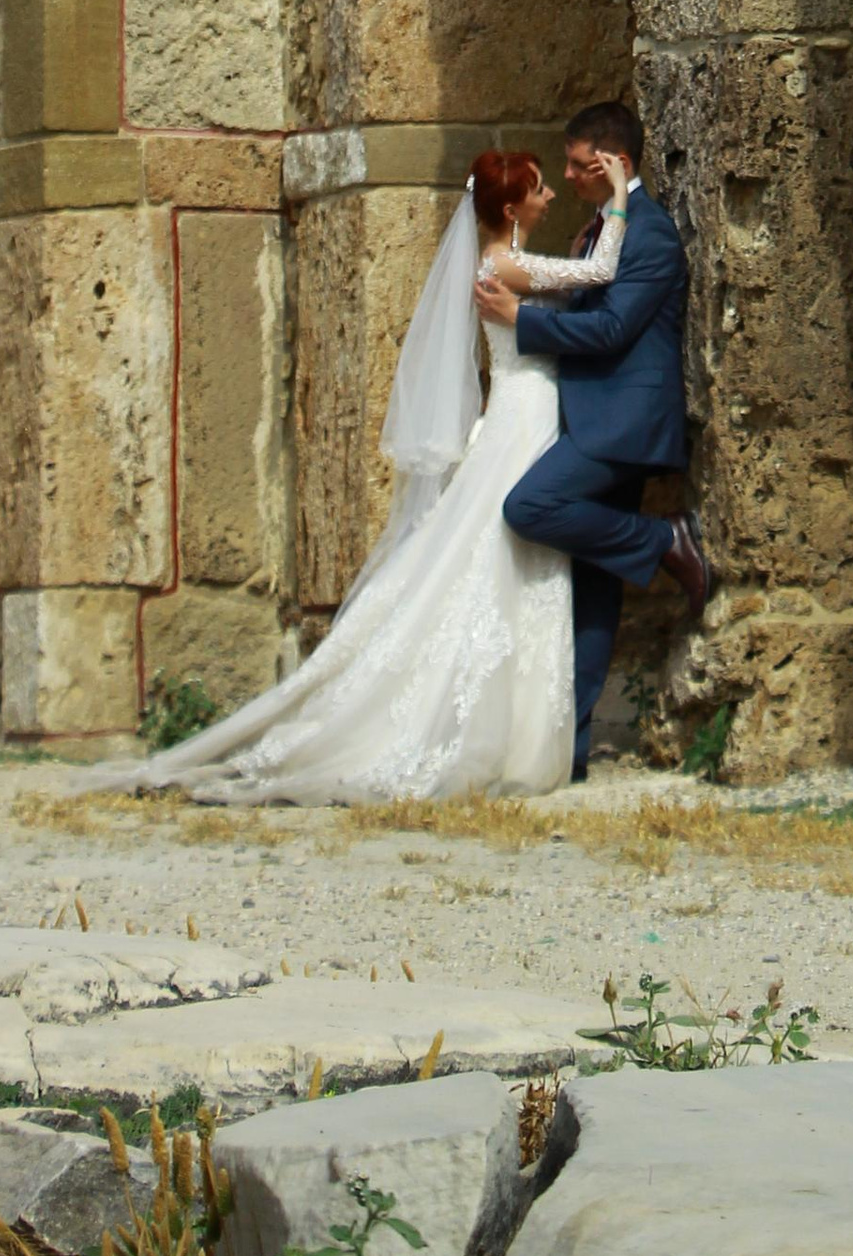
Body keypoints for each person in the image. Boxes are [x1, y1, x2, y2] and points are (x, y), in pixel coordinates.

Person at [132, 139, 628, 803]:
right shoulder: (505, 264)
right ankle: (501, 734)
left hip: (525, 410)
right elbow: (598, 274)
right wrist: (621, 200)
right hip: (526, 411)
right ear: (511, 206)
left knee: (500, 554)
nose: (547, 197)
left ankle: (514, 729)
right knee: (505, 554)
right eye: (538, 189)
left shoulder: (500, 260)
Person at [479, 98, 709, 786]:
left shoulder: (652, 235)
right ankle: (568, 749)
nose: (569, 176)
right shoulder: (604, 228)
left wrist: (523, 322)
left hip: (622, 426)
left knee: (530, 508)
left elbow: (612, 331)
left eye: (581, 167)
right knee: (592, 589)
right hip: (589, 417)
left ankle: (666, 542)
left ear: (617, 163)